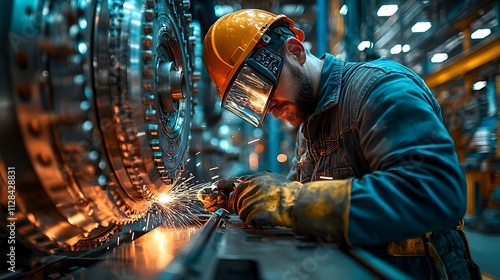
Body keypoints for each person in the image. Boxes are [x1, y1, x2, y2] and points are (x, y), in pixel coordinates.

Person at [198, 9, 481, 279]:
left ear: (295, 51)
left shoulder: (379, 89)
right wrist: (245, 195)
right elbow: (298, 192)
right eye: (251, 100)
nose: (268, 108)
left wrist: (291, 202)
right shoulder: (309, 122)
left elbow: (436, 192)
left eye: (263, 87)